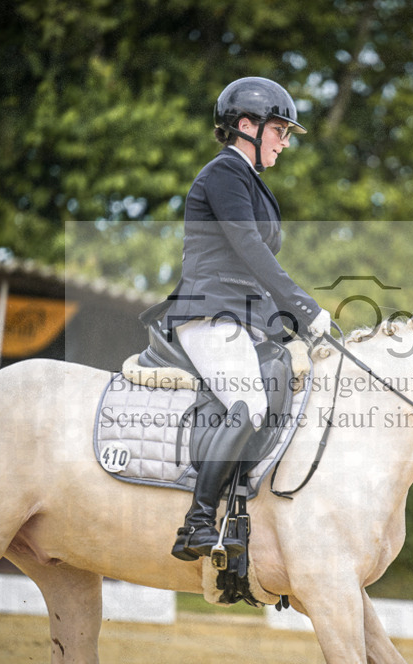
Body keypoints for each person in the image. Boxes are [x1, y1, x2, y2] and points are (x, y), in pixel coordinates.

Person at [165, 76, 331, 561]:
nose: (284, 142)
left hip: (243, 316)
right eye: (279, 130)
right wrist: (303, 306)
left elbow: (254, 271)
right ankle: (196, 522)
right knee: (250, 402)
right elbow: (248, 249)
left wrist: (286, 319)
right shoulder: (223, 174)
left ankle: (245, 511)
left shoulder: (252, 184)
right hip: (210, 312)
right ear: (246, 126)